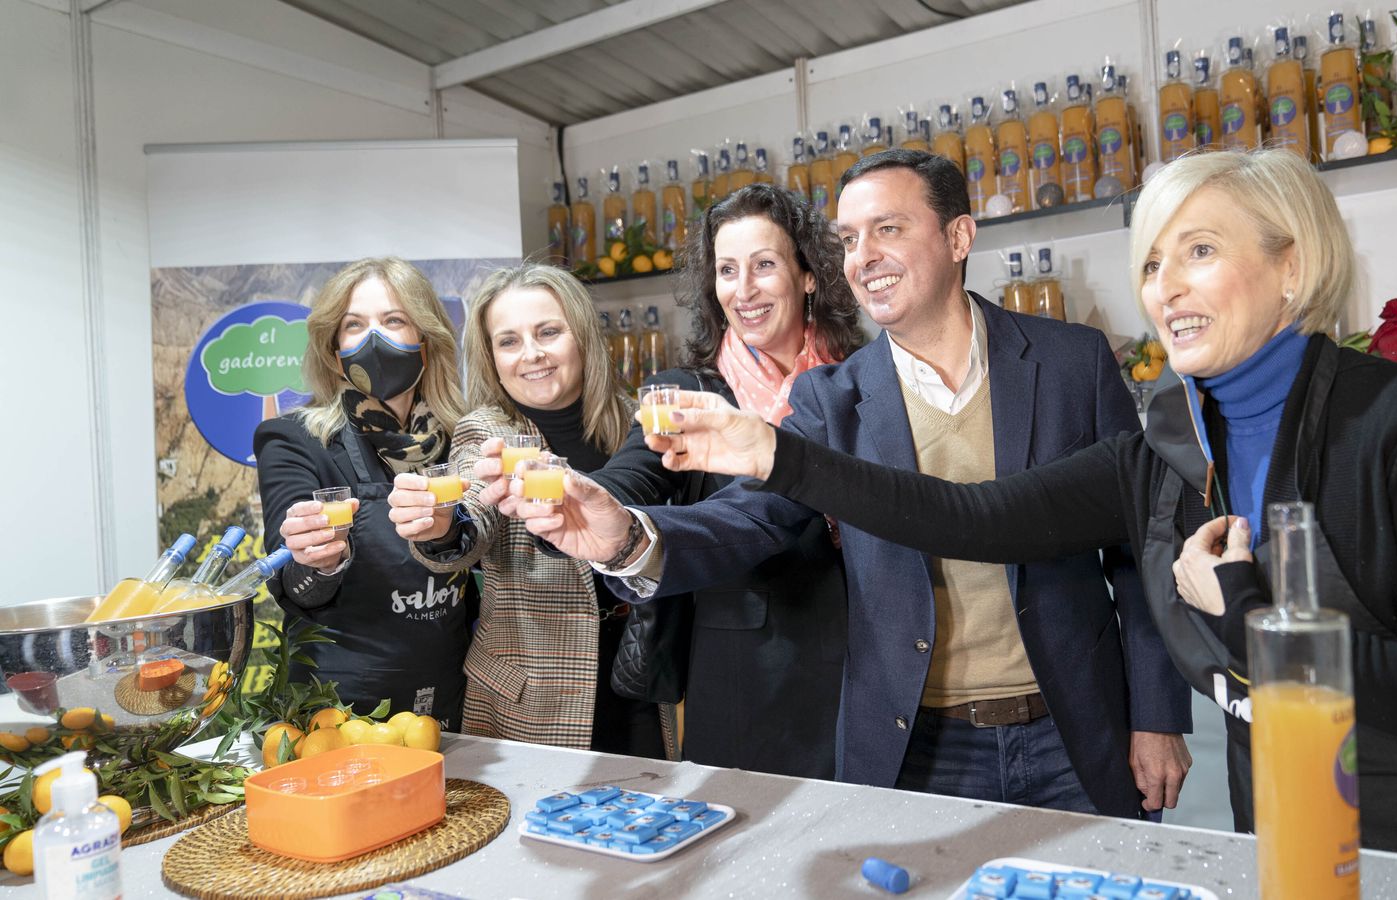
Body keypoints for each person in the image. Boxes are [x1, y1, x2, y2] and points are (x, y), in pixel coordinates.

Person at [616, 148, 1397, 860]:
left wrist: (1249, 623)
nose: (1165, 287)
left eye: (1198, 250)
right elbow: (970, 518)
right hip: (1278, 828)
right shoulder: (1168, 447)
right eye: (1152, 263)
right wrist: (769, 452)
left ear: (1293, 263)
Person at [518, 149, 1193, 818]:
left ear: (958, 236)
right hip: (921, 742)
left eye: (888, 229)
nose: (862, 256)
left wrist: (1158, 715)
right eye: (848, 239)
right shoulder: (831, 397)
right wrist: (627, 537)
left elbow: (1138, 553)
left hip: (1076, 728)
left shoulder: (1072, 362)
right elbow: (751, 517)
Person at [580, 183, 862, 777]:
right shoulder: (690, 392)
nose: (745, 290)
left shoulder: (863, 380)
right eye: (727, 270)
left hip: (869, 660)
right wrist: (588, 497)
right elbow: (632, 475)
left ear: (809, 275)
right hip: (747, 676)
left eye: (764, 265)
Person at [386, 263, 663, 758]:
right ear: (491, 358)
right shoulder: (486, 432)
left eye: (548, 332)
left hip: (634, 675)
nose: (531, 354)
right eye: (509, 341)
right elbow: (474, 511)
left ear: (581, 336)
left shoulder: (632, 421)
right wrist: (444, 528)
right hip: (531, 697)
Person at [255, 257, 475, 730]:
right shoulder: (293, 439)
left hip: (453, 696)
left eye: (394, 320)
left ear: (426, 340)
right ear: (334, 351)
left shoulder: (465, 438)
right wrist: (315, 558)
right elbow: (293, 579)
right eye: (354, 325)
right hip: (339, 707)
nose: (374, 339)